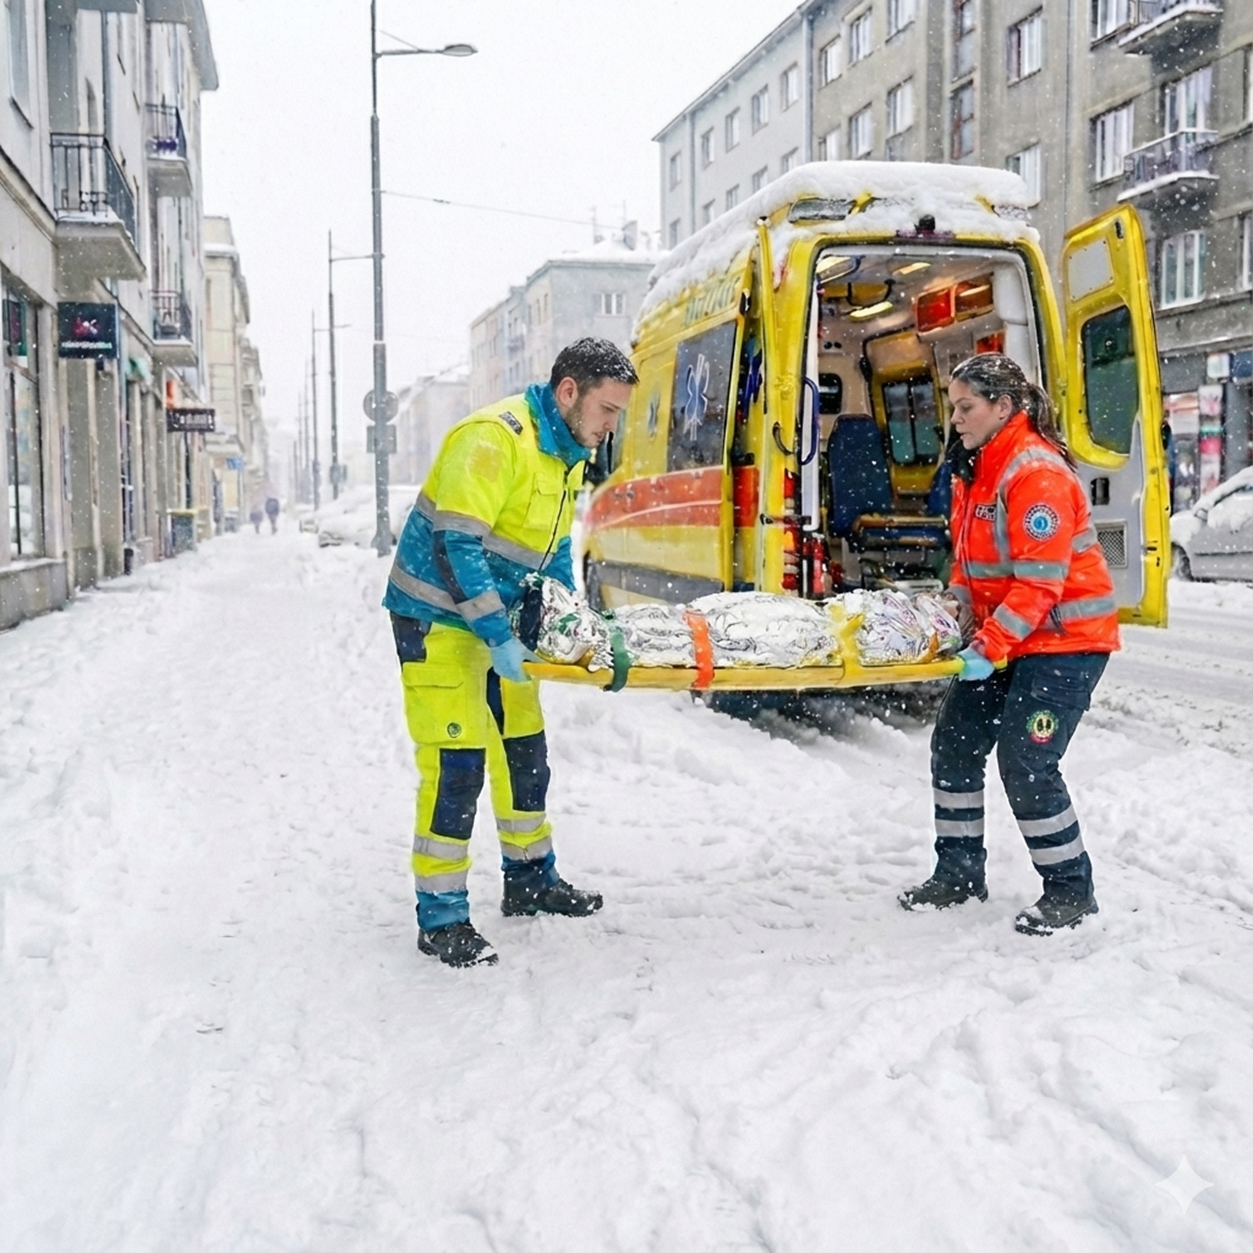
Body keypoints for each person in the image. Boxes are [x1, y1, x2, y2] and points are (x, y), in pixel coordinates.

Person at [384, 338, 638, 967]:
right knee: (459, 765)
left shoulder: (568, 453)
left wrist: (568, 622)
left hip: (500, 623)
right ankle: (440, 916)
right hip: (436, 617)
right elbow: (455, 545)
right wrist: (497, 636)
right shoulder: (493, 440)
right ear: (569, 393)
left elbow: (548, 552)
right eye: (607, 410)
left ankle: (530, 880)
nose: (611, 428)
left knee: (526, 753)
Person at [899, 353, 1119, 936]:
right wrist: (957, 603)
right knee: (955, 745)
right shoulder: (976, 472)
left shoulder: (1035, 474)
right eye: (953, 407)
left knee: (1027, 763)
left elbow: (1039, 584)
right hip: (1013, 640)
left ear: (1004, 406)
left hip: (1066, 643)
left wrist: (987, 647)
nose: (957, 419)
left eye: (967, 407)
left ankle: (1072, 889)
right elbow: (974, 566)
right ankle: (959, 874)